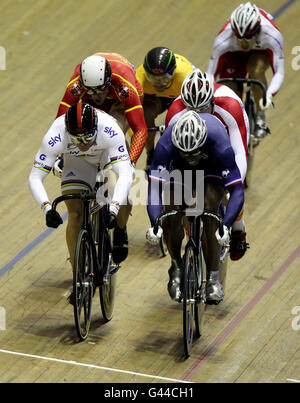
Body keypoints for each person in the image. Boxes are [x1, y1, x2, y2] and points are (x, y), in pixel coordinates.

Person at [146, 111, 245, 303]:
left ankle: (213, 279)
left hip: (211, 167)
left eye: (194, 152)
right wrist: (155, 223)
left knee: (209, 207)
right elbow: (154, 189)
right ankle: (176, 265)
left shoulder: (220, 144)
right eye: (186, 153)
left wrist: (226, 225)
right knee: (171, 211)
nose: (191, 157)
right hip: (179, 168)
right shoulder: (166, 145)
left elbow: (237, 191)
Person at [28, 103, 134, 277]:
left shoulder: (109, 128)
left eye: (87, 138)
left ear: (95, 128)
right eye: (77, 139)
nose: (82, 143)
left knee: (117, 193)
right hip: (77, 163)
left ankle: (120, 230)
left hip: (105, 159)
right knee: (75, 214)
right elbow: (35, 177)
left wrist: (113, 209)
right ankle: (77, 275)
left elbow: (126, 174)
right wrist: (47, 208)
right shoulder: (56, 133)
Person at [165, 68, 249, 260]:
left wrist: (233, 185)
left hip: (224, 142)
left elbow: (239, 153)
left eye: (202, 109)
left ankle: (238, 226)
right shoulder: (176, 113)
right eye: (191, 110)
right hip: (191, 148)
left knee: (231, 188)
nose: (197, 114)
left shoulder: (229, 107)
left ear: (211, 102)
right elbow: (169, 155)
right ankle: (190, 235)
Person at [54, 52, 147, 174]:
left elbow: (140, 130)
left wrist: (130, 163)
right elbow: (60, 123)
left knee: (114, 129)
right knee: (81, 126)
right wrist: (59, 156)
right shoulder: (76, 85)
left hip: (119, 99)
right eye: (91, 91)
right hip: (96, 96)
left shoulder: (124, 86)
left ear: (108, 81)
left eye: (100, 89)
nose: (96, 95)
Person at [206, 2, 284, 139]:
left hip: (260, 53)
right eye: (239, 37)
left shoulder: (272, 36)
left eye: (248, 37)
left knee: (256, 71)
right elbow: (210, 73)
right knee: (229, 89)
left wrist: (269, 95)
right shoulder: (223, 39)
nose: (243, 42)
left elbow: (279, 72)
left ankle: (260, 117)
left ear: (258, 31)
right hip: (234, 55)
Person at [135, 47, 195, 171]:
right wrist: (139, 132)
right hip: (156, 98)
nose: (159, 83)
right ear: (146, 73)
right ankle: (151, 153)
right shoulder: (139, 78)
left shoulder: (185, 76)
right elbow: (133, 112)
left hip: (180, 96)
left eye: (164, 77)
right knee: (144, 114)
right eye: (153, 78)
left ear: (173, 71)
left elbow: (195, 110)